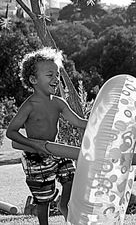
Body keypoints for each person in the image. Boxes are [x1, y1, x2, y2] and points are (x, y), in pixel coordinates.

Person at [6, 47, 87, 225]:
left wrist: (99, 123)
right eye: (50, 75)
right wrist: (34, 144)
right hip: (35, 157)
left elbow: (79, 122)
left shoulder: (59, 103)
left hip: (56, 151)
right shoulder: (29, 106)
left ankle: (63, 205)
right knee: (44, 198)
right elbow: (11, 132)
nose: (56, 79)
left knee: (71, 177)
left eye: (57, 75)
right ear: (33, 80)